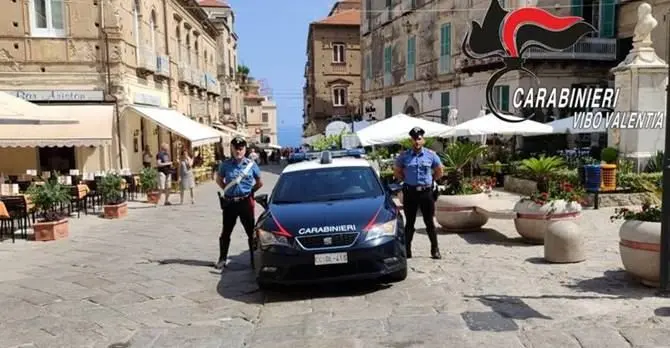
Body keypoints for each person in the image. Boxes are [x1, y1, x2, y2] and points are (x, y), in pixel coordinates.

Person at [393, 127, 443, 259]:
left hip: (426, 193)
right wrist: (406, 179)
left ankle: (435, 249)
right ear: (411, 140)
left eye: (419, 139)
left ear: (423, 140)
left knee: (430, 223)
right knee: (409, 223)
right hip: (410, 193)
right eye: (414, 139)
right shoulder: (404, 156)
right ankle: (407, 250)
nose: (417, 142)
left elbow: (439, 171)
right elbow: (397, 171)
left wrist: (431, 180)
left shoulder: (431, 155)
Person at [215, 137, 263, 269]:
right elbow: (219, 179)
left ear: (245, 149)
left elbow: (259, 182)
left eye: (241, 148)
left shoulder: (251, 165)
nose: (238, 151)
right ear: (231, 149)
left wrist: (250, 192)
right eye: (236, 148)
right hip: (230, 203)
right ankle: (222, 259)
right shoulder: (225, 165)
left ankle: (254, 260)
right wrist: (227, 189)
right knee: (226, 231)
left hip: (245, 202)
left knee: (251, 232)